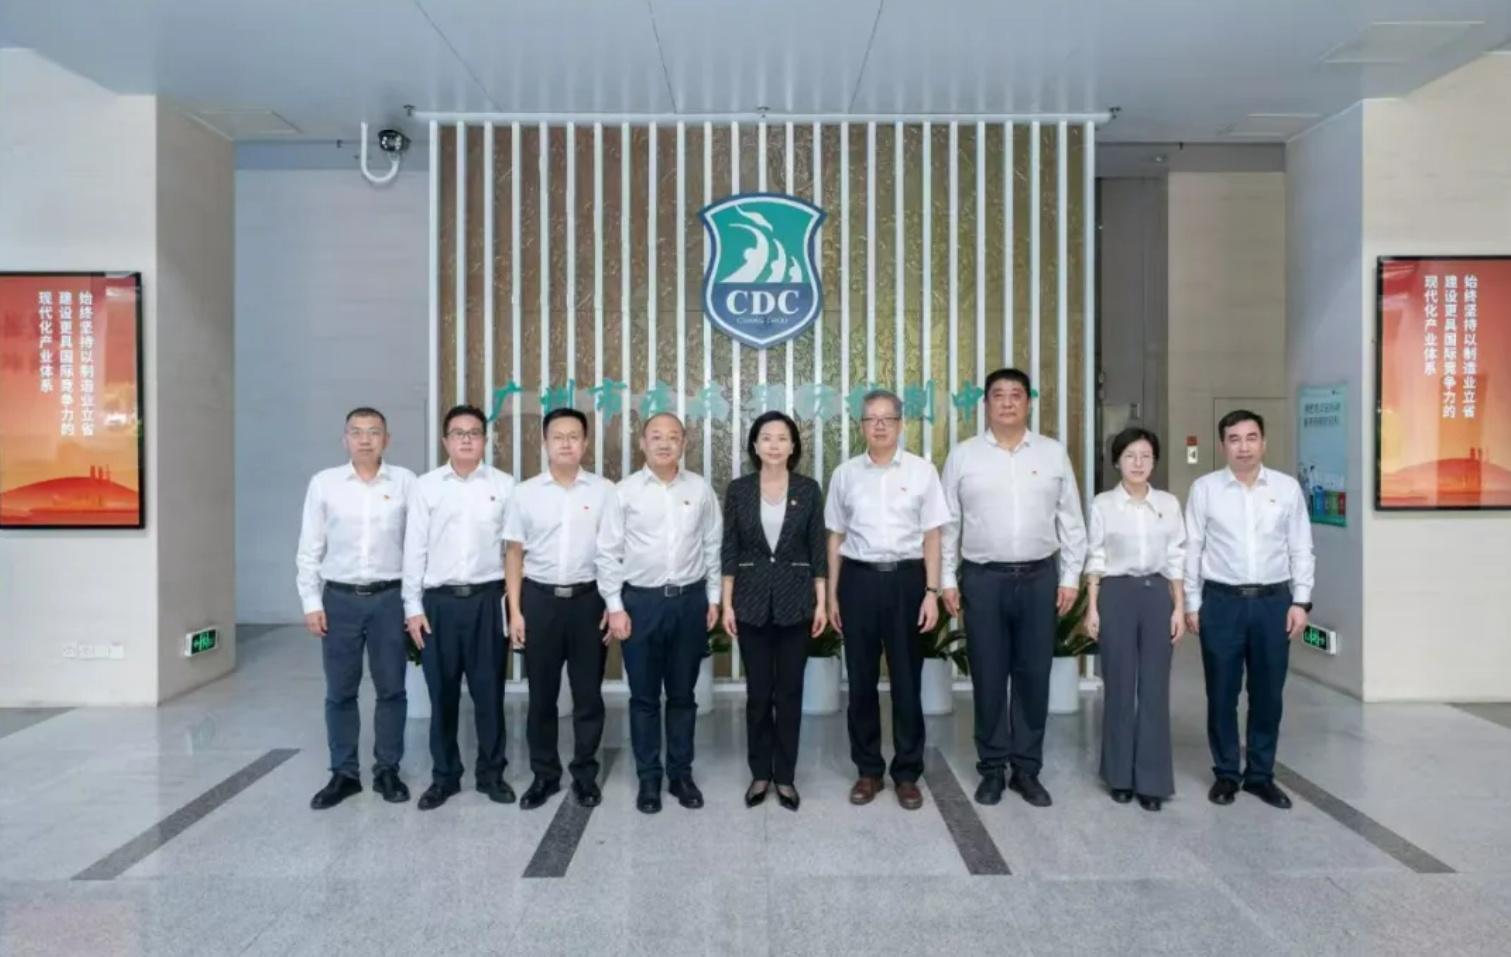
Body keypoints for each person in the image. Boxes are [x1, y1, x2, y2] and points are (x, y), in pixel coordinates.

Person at [940, 368, 1087, 808]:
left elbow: (1072, 521)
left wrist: (1070, 577)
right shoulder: (964, 456)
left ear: (1028, 402)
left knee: (1033, 676)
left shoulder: (1052, 453)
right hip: (983, 579)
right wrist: (946, 578)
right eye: (998, 395)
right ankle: (991, 769)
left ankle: (1026, 769)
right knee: (987, 675)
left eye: (1016, 394)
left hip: (1040, 578)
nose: (1007, 402)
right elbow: (948, 524)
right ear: (986, 403)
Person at [1185, 410, 1316, 810]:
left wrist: (1301, 600)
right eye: (1234, 439)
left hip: (1273, 603)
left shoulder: (1286, 489)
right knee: (1221, 693)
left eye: (1251, 437)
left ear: (1264, 442)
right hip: (1221, 602)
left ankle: (1260, 775)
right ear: (1222, 445)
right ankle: (1226, 773)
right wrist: (1192, 602)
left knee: (1268, 694)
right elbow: (1192, 547)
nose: (1243, 447)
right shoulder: (1205, 489)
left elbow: (1301, 547)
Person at [825, 390, 949, 811]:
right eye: (871, 419)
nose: (879, 425)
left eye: (887, 418)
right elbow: (835, 537)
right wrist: (833, 596)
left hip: (907, 581)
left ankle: (907, 773)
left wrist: (931, 593)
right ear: (861, 426)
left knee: (907, 682)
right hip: (858, 580)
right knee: (860, 682)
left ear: (900, 424)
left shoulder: (921, 472)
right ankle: (868, 771)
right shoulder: (845, 474)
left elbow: (933, 536)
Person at [596, 413, 722, 815]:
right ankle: (648, 778)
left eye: (673, 437)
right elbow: (607, 553)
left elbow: (712, 545)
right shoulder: (624, 492)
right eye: (656, 436)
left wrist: (713, 598)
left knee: (683, 696)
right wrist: (615, 606)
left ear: (684, 443)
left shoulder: (699, 489)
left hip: (689, 601)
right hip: (641, 604)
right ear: (642, 443)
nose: (664, 443)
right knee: (644, 697)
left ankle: (681, 775)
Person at [296, 407, 417, 809]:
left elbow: (416, 547)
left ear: (387, 439)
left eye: (374, 432)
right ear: (344, 439)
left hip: (389, 599)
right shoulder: (325, 484)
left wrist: (412, 603)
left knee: (392, 689)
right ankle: (344, 773)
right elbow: (310, 548)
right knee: (340, 691)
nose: (365, 439)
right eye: (357, 432)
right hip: (339, 600)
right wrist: (311, 601)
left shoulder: (405, 482)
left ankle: (388, 770)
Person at [402, 404, 517, 811]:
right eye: (458, 433)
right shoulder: (426, 487)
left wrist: (514, 607)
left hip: (488, 601)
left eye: (474, 432)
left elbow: (514, 551)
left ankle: (492, 774)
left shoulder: (505, 485)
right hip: (439, 605)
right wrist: (412, 607)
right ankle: (445, 777)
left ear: (485, 440)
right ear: (445, 440)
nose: (466, 439)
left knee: (490, 694)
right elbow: (414, 548)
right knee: (443, 694)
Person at [504, 408, 615, 811]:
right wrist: (515, 611)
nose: (566, 443)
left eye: (574, 436)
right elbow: (514, 553)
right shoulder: (525, 492)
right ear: (544, 442)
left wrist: (612, 602)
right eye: (558, 436)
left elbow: (612, 552)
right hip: (539, 601)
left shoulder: (604, 491)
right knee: (541, 697)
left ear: (585, 443)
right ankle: (545, 776)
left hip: (589, 601)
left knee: (588, 696)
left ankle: (585, 776)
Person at [720, 411, 827, 812]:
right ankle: (759, 772)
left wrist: (821, 601)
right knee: (759, 693)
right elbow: (730, 549)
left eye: (782, 438)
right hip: (749, 602)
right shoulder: (739, 490)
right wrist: (726, 603)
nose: (775, 445)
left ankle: (785, 775)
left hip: (796, 601)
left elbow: (817, 550)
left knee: (790, 692)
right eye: (767, 437)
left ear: (794, 445)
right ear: (755, 445)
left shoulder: (809, 489)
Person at [1084, 426, 1185, 812]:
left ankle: (1153, 781)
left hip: (1158, 594)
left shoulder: (1168, 504)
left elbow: (1176, 557)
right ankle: (1119, 776)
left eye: (1145, 456)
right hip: (1116, 594)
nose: (1138, 463)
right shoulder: (1103, 505)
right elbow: (1095, 556)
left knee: (1155, 689)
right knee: (1120, 686)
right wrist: (1093, 607)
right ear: (1117, 462)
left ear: (1154, 461)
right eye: (1130, 456)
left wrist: (1179, 607)